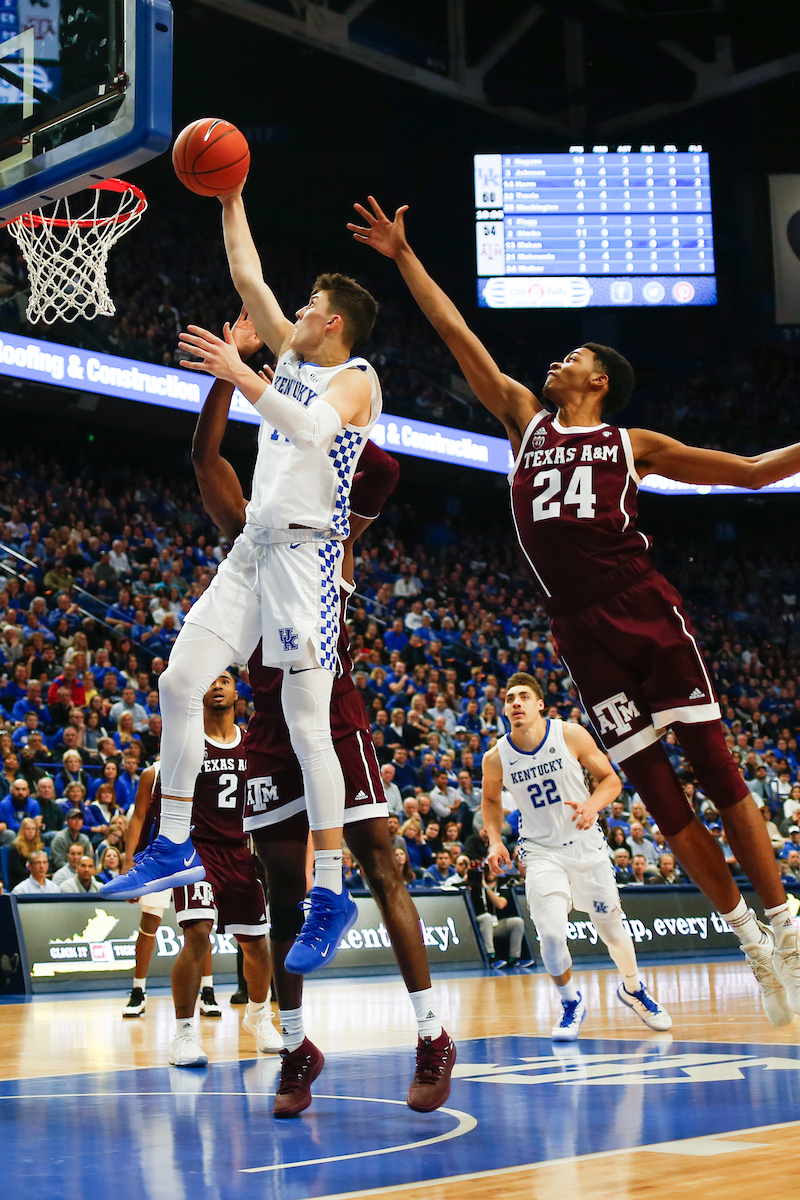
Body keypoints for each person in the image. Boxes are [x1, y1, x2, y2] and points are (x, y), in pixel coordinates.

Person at [351, 195, 800, 1027]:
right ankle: (748, 939)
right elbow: (460, 338)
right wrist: (404, 257)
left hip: (644, 611)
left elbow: (751, 472)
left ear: (597, 381)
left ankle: (788, 928)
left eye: (570, 357)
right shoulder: (525, 423)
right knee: (665, 805)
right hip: (580, 633)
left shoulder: (633, 444)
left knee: (720, 776)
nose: (554, 363)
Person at [184, 333, 455, 1114]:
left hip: (331, 711)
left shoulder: (330, 536)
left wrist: (303, 402)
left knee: (381, 863)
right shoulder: (250, 537)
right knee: (280, 890)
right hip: (269, 722)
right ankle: (297, 1046)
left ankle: (433, 1033)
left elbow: (381, 467)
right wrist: (226, 380)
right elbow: (206, 462)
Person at [111, 240, 383, 983]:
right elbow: (246, 275)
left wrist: (238, 374)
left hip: (308, 563)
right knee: (177, 682)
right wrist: (229, 195)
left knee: (305, 728)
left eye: (305, 309)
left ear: (330, 323)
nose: (291, 313)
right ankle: (172, 842)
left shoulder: (357, 378)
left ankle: (330, 893)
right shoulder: (294, 359)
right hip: (254, 551)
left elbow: (316, 431)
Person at [482, 673, 671, 1041]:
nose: (515, 703)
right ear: (504, 710)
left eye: (523, 696)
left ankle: (633, 990)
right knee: (551, 934)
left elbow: (611, 780)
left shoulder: (569, 734)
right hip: (540, 852)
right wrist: (494, 841)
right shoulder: (496, 757)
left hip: (586, 846)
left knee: (613, 931)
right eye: (509, 699)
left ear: (540, 705)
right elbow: (489, 800)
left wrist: (591, 806)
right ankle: (571, 1002)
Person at [120, 762, 219, 1020]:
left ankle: (207, 990)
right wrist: (130, 860)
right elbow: (139, 817)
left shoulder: (203, 766)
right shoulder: (152, 773)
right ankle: (138, 991)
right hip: (159, 856)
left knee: (201, 924)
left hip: (193, 856)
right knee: (149, 923)